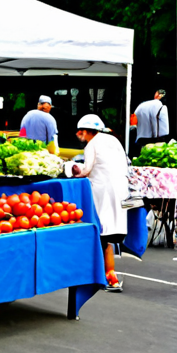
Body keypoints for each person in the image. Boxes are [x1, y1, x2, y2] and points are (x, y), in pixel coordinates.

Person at [73, 114, 128, 292]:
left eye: (80, 131)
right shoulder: (113, 140)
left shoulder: (92, 145)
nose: (79, 134)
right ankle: (110, 274)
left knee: (99, 231)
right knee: (109, 235)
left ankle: (99, 275)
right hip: (120, 190)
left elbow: (86, 170)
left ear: (87, 131)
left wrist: (74, 170)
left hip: (101, 190)